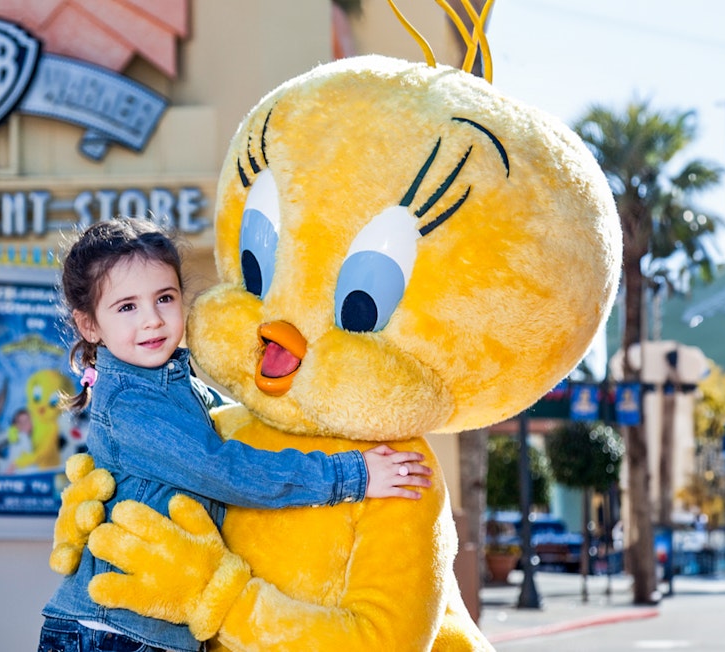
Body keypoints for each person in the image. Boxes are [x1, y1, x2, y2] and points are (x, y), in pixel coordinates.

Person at [39, 218, 433, 652]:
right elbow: (224, 469)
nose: (152, 320)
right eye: (127, 307)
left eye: (165, 298)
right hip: (110, 632)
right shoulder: (132, 405)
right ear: (89, 325)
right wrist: (352, 476)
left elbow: (236, 418)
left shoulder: (173, 383)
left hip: (144, 631)